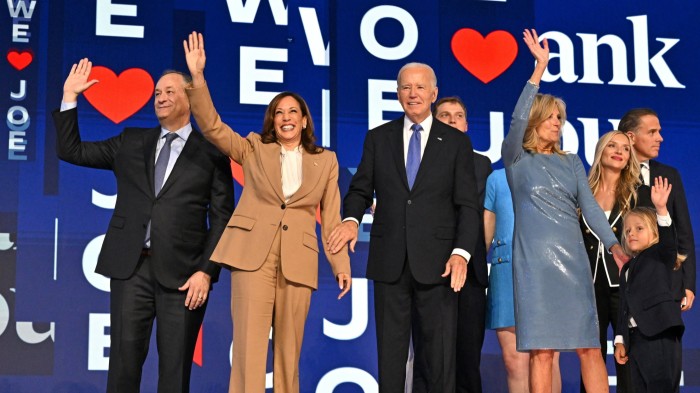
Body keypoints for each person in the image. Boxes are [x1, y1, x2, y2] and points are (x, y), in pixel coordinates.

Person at [182, 32, 351, 393]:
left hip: (298, 260)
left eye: (293, 112)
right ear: (272, 120)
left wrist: (340, 266)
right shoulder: (254, 148)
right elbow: (212, 127)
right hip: (252, 257)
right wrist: (198, 79)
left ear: (305, 120)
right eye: (279, 112)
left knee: (290, 354)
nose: (286, 117)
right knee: (248, 348)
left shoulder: (326, 161)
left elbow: (333, 218)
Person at [53, 59, 235, 392]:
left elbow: (224, 217)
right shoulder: (130, 141)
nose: (161, 97)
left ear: (190, 98)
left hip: (185, 277)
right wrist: (69, 97)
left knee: (175, 372)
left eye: (169, 91)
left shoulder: (211, 153)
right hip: (131, 269)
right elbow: (72, 150)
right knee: (122, 366)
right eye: (156, 92)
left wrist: (206, 272)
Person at [329, 62, 480, 393]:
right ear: (397, 94)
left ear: (434, 94)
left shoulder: (455, 143)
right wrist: (352, 219)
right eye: (406, 88)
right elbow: (359, 189)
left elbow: (467, 205)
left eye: (420, 87)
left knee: (438, 361)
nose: (413, 94)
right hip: (389, 262)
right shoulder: (378, 138)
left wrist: (461, 253)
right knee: (391, 360)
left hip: (440, 264)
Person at [502, 29, 628, 393]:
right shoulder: (516, 159)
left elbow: (589, 207)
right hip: (534, 267)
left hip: (573, 262)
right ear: (535, 118)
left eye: (561, 117)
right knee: (542, 352)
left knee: (589, 346)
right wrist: (538, 70)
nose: (558, 122)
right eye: (552, 116)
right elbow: (514, 124)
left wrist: (614, 246)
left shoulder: (571, 161)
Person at [483, 169, 562, 393]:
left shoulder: (558, 173)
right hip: (506, 271)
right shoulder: (497, 179)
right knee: (514, 362)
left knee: (546, 359)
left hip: (548, 271)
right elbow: (485, 236)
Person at [580, 130, 645, 392]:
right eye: (612, 146)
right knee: (590, 357)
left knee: (625, 357)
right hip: (588, 288)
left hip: (625, 287)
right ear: (600, 151)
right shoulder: (581, 193)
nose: (619, 151)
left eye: (625, 148)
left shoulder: (637, 194)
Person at [434, 96, 491, 393]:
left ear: (467, 125)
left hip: (470, 273)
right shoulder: (417, 162)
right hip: (429, 270)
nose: (453, 120)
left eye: (458, 116)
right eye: (445, 115)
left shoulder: (481, 164)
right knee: (433, 360)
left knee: (468, 361)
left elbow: (477, 215)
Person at [618, 109, 695, 312]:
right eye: (652, 132)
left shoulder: (669, 174)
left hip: (666, 283)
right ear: (631, 137)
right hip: (625, 281)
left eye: (659, 132)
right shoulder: (612, 175)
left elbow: (683, 232)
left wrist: (688, 284)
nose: (660, 138)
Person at [614, 178, 685, 393]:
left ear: (654, 232)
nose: (631, 233)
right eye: (627, 231)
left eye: (639, 228)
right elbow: (624, 306)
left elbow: (668, 243)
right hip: (636, 340)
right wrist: (620, 339)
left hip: (659, 334)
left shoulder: (659, 255)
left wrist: (661, 209)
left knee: (660, 387)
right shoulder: (626, 269)